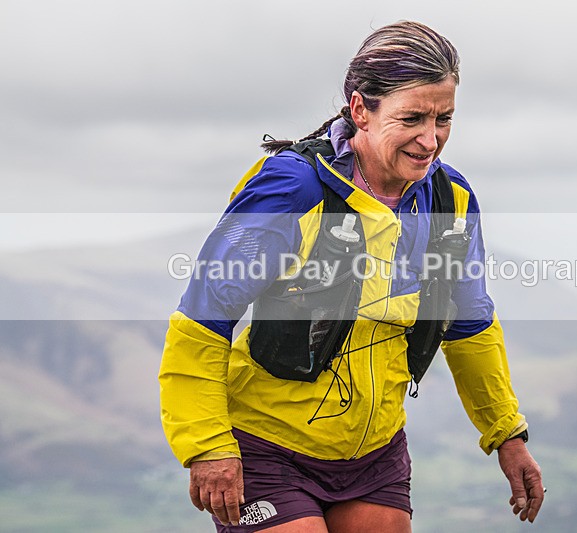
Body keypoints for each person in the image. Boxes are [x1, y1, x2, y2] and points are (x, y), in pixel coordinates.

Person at [159, 20, 544, 532]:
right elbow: (202, 320)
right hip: (267, 446)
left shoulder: (450, 203)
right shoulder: (291, 192)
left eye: (444, 119)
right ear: (361, 109)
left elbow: (469, 324)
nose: (431, 140)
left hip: (375, 456)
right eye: (412, 119)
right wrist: (206, 444)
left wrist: (506, 434)